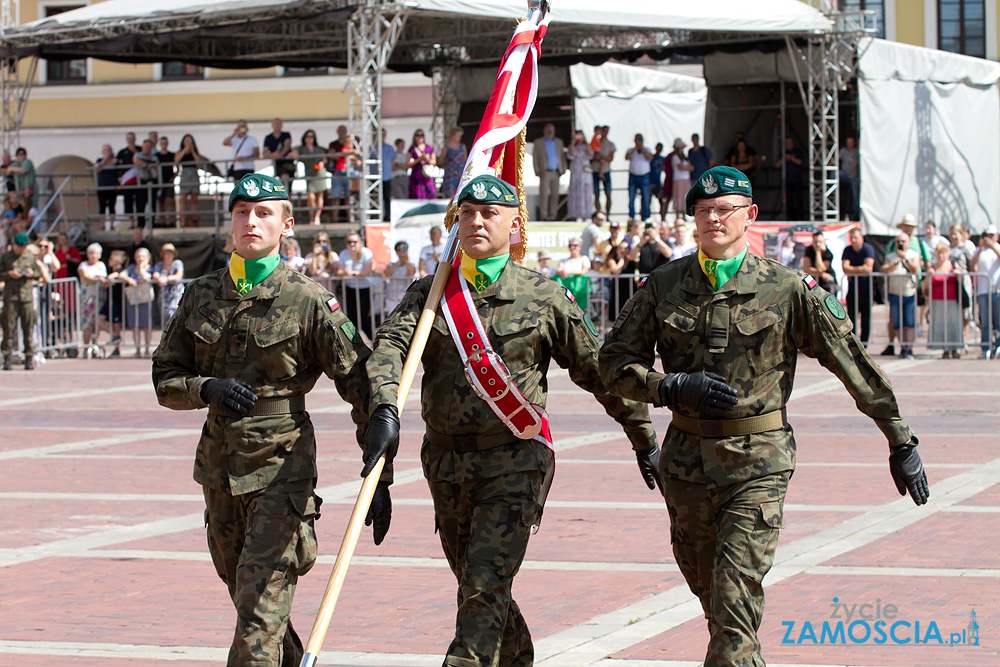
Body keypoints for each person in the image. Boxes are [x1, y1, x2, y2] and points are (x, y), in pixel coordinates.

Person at [598, 165, 929, 667]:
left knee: (733, 602)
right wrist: (665, 387)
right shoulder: (662, 285)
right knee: (714, 598)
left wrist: (900, 439)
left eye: (725, 209)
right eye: (703, 211)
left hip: (758, 465)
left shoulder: (787, 288)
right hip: (686, 465)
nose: (713, 218)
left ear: (749, 215)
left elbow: (854, 364)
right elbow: (613, 364)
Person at [361, 173, 659, 667]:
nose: (476, 221)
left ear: (514, 224)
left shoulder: (543, 296)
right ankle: (516, 658)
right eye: (468, 213)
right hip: (446, 464)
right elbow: (389, 351)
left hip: (515, 461)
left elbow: (598, 371)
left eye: (489, 213)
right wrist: (385, 407)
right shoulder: (429, 294)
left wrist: (642, 434)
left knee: (481, 586)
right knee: (479, 585)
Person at [151, 173, 371, 667]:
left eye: (264, 213)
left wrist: (380, 462)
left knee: (257, 610)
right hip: (219, 471)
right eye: (242, 212)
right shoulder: (201, 294)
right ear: (230, 221)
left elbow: (359, 380)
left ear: (286, 224)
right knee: (250, 600)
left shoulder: (307, 297)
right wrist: (204, 388)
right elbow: (166, 374)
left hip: (282, 470)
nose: (251, 221)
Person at [1, 232, 41, 369]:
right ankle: (7, 358)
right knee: (8, 328)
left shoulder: (30, 257)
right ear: (14, 245)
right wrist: (9, 274)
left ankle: (29, 357)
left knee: (28, 328)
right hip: (11, 298)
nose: (21, 249)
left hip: (26, 298)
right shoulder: (6, 257)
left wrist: (31, 273)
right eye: (19, 246)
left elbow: (38, 274)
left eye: (24, 247)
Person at [880, 230, 921, 359]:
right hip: (894, 293)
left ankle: (909, 348)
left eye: (903, 241)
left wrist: (905, 258)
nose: (900, 243)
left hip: (909, 293)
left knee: (909, 322)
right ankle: (902, 347)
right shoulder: (891, 256)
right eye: (898, 241)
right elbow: (883, 269)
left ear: (908, 242)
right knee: (897, 323)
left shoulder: (913, 254)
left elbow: (915, 269)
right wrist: (893, 264)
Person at [926, 242, 963, 358]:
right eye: (939, 253)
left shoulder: (953, 265)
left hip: (952, 299)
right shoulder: (932, 267)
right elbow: (926, 286)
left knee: (953, 323)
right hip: (937, 300)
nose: (941, 256)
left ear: (947, 254)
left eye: (943, 253)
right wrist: (928, 275)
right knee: (940, 323)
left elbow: (963, 280)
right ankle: (944, 349)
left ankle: (955, 348)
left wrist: (958, 274)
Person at [338, 231, 375, 341]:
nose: (352, 244)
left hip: (364, 288)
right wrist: (351, 273)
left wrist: (352, 273)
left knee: (363, 319)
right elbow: (339, 272)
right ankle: (354, 344)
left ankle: (375, 342)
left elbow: (367, 271)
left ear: (359, 242)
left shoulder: (366, 252)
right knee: (351, 318)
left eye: (355, 241)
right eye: (349, 242)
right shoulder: (344, 253)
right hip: (349, 289)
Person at [841, 227, 875, 345]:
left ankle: (864, 343)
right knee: (851, 318)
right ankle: (853, 343)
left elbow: (868, 268)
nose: (853, 240)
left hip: (866, 289)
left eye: (855, 238)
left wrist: (853, 270)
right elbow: (845, 268)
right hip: (853, 289)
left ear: (861, 238)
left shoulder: (867, 249)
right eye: (851, 238)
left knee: (866, 317)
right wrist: (860, 269)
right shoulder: (847, 250)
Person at [970, 224, 1000, 357]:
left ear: (996, 236)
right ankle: (985, 347)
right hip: (982, 290)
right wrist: (981, 248)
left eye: (991, 235)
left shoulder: (998, 248)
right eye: (986, 235)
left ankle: (998, 345)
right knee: (985, 320)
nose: (989, 238)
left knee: (998, 320)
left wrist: (993, 247)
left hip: (997, 290)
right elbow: (972, 263)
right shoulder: (979, 250)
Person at [121, 246, 153, 357]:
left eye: (143, 256)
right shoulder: (131, 268)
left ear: (148, 258)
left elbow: (147, 277)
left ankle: (147, 348)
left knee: (146, 326)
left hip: (145, 299)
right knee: (135, 326)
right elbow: (122, 275)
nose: (140, 258)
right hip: (134, 300)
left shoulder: (150, 268)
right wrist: (129, 279)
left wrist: (141, 268)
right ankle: (137, 349)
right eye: (138, 256)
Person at [294, 129, 328, 225]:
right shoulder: (301, 148)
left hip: (319, 173)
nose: (309, 139)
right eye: (308, 136)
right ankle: (312, 217)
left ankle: (317, 217)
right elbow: (294, 152)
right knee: (310, 197)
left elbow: (324, 158)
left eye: (311, 136)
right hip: (309, 173)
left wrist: (322, 163)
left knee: (319, 196)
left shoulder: (319, 148)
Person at [78, 242, 107, 352]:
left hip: (99, 298)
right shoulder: (83, 265)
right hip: (87, 299)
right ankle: (86, 347)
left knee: (96, 323)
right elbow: (86, 277)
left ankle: (95, 346)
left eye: (95, 253)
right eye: (91, 253)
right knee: (87, 324)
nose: (93, 255)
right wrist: (97, 279)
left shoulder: (101, 265)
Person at [98, 249, 127, 357]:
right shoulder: (109, 272)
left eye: (111, 259)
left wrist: (114, 277)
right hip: (109, 301)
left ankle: (117, 349)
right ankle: (115, 335)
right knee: (99, 319)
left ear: (118, 260)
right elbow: (105, 285)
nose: (109, 261)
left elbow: (120, 276)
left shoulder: (122, 271)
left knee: (116, 325)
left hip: (118, 302)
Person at [328, 133, 361, 223]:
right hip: (339, 172)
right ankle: (335, 219)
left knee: (347, 197)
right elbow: (344, 152)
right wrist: (353, 151)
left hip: (347, 174)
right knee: (336, 198)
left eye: (351, 143)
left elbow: (352, 157)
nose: (350, 144)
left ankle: (349, 218)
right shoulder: (345, 150)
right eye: (348, 142)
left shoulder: (349, 152)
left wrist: (356, 160)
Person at [174, 134, 205, 228]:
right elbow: (176, 160)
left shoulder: (194, 152)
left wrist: (192, 150)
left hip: (194, 174)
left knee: (194, 199)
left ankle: (193, 221)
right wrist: (185, 149)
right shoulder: (180, 151)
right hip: (185, 174)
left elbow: (199, 162)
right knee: (183, 199)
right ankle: (182, 221)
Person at [152, 243, 185, 324]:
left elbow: (178, 276)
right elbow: (155, 274)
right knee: (165, 318)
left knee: (174, 315)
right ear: (163, 254)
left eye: (171, 253)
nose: (169, 255)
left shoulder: (178, 263)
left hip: (176, 294)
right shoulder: (159, 264)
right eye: (167, 253)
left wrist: (166, 279)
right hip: (164, 296)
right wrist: (159, 279)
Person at [555, 236, 591, 308]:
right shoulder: (563, 260)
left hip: (579, 288)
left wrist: (568, 272)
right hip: (566, 288)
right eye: (570, 245)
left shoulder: (584, 259)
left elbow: (584, 271)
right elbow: (558, 270)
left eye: (575, 245)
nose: (572, 247)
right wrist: (562, 272)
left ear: (580, 247)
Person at [566, 129, 594, 221]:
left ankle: (586, 215)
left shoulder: (587, 146)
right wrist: (573, 142)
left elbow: (590, 154)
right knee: (575, 193)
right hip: (576, 172)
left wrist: (586, 141)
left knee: (586, 193)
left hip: (585, 172)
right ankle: (574, 214)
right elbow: (570, 155)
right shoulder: (572, 146)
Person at [262, 118, 295, 192]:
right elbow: (264, 153)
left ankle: (288, 197)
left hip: (288, 163)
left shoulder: (286, 135)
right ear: (272, 125)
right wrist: (273, 155)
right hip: (278, 165)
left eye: (279, 124)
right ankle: (283, 195)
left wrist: (281, 154)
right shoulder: (268, 138)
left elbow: (287, 145)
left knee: (289, 184)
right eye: (275, 124)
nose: (277, 126)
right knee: (284, 178)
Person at [625, 133, 652, 222]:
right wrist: (636, 148)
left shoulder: (647, 149)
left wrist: (642, 149)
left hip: (644, 177)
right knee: (631, 198)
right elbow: (627, 157)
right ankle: (631, 217)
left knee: (645, 198)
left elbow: (650, 157)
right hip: (633, 177)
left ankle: (644, 217)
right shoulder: (631, 150)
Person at [383, 240, 416, 313]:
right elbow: (387, 273)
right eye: (399, 250)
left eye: (404, 249)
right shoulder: (391, 264)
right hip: (391, 297)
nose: (402, 252)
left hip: (405, 298)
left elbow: (410, 273)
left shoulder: (411, 265)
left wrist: (406, 260)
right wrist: (398, 263)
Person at [802, 230, 837, 295]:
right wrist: (821, 274)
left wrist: (818, 252)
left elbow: (821, 269)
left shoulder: (828, 253)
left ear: (824, 242)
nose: (818, 244)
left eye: (820, 242)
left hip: (827, 283)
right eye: (816, 242)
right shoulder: (809, 250)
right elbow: (806, 268)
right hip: (813, 281)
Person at [439, 126, 469, 201]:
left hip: (460, 174)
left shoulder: (462, 146)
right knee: (450, 196)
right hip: (450, 175)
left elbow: (465, 160)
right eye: (458, 136)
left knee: (460, 194)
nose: (459, 138)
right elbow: (440, 161)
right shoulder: (446, 147)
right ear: (452, 136)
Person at [406, 129, 436, 200]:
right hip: (416, 176)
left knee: (430, 194)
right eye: (418, 135)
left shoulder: (429, 148)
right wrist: (419, 159)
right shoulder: (412, 148)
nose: (420, 137)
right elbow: (407, 164)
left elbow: (434, 162)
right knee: (417, 195)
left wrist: (427, 159)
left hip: (427, 176)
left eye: (421, 135)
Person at [94, 144, 119, 230]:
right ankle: (103, 225)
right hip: (102, 188)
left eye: (108, 150)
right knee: (102, 207)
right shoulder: (99, 160)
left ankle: (112, 225)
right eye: (105, 150)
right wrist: (105, 159)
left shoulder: (115, 161)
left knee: (112, 206)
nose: (107, 152)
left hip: (112, 187)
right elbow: (97, 168)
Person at [592, 125, 615, 216]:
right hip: (595, 170)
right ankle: (598, 213)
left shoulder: (610, 144)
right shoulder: (595, 141)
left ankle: (608, 214)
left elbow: (610, 158)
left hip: (606, 170)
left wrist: (601, 158)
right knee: (596, 194)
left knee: (608, 194)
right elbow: (592, 155)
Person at [670, 138, 693, 221]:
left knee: (684, 196)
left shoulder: (684, 157)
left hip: (685, 179)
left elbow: (689, 167)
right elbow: (681, 167)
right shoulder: (675, 157)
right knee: (678, 196)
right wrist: (687, 167)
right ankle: (677, 216)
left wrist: (686, 168)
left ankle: (683, 215)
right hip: (678, 179)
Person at [782, 136, 806, 220]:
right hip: (787, 181)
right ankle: (791, 218)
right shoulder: (783, 152)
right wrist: (784, 158)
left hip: (797, 180)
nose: (788, 144)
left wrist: (792, 158)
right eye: (787, 143)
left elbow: (800, 162)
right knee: (789, 201)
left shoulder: (798, 152)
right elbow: (776, 164)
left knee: (798, 200)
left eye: (790, 142)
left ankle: (801, 218)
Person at [838, 136, 860, 220]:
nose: (849, 144)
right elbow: (835, 159)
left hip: (854, 177)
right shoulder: (843, 151)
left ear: (854, 143)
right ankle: (831, 192)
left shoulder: (857, 151)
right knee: (834, 173)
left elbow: (864, 158)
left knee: (855, 197)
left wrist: (856, 163)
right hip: (845, 174)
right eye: (848, 142)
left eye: (851, 142)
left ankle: (856, 215)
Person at [156, 136, 176, 226]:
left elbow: (178, 167)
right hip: (160, 181)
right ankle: (162, 220)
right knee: (161, 202)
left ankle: (171, 221)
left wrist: (174, 177)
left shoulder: (171, 155)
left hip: (169, 181)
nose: (164, 145)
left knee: (170, 201)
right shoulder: (157, 156)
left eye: (165, 143)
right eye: (162, 143)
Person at [380, 129, 395, 221]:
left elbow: (392, 162)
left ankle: (387, 215)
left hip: (387, 176)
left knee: (387, 197)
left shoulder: (390, 148)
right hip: (376, 176)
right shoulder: (373, 147)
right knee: (376, 197)